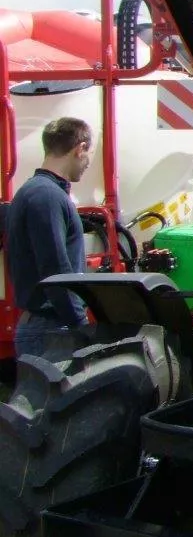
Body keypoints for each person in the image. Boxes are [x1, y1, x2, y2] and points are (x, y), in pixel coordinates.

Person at [6, 117, 94, 358]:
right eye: (89, 155)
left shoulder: (35, 192)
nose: (88, 164)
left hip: (46, 326)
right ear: (81, 148)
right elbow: (55, 268)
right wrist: (80, 322)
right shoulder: (46, 196)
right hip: (52, 330)